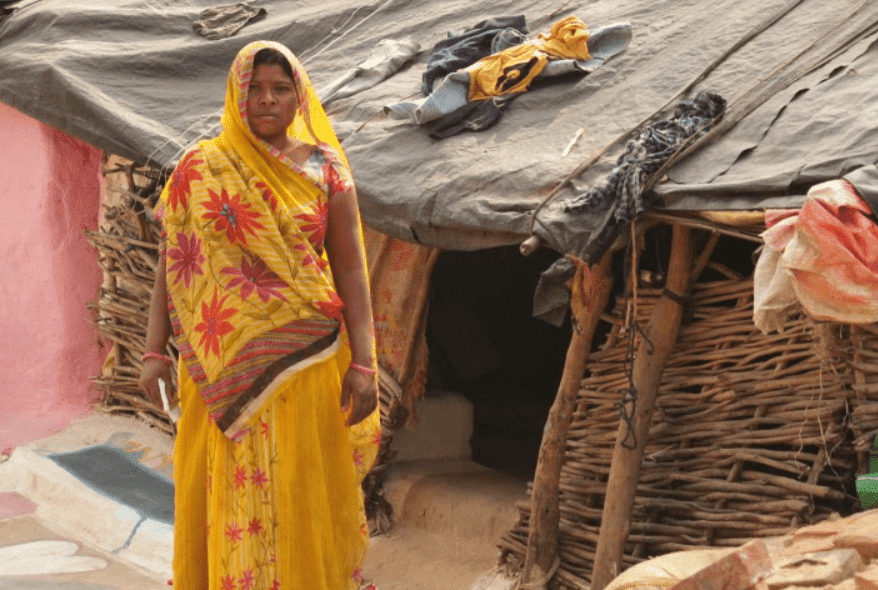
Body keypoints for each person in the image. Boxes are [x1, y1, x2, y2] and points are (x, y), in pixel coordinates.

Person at [139, 40, 381, 590]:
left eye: (281, 89)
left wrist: (364, 363)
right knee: (226, 503)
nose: (268, 101)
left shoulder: (326, 172)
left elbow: (352, 272)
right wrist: (155, 351)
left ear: (300, 98)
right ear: (235, 94)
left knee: (297, 499)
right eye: (256, 90)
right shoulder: (200, 168)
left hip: (307, 368)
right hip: (218, 371)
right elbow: (172, 263)